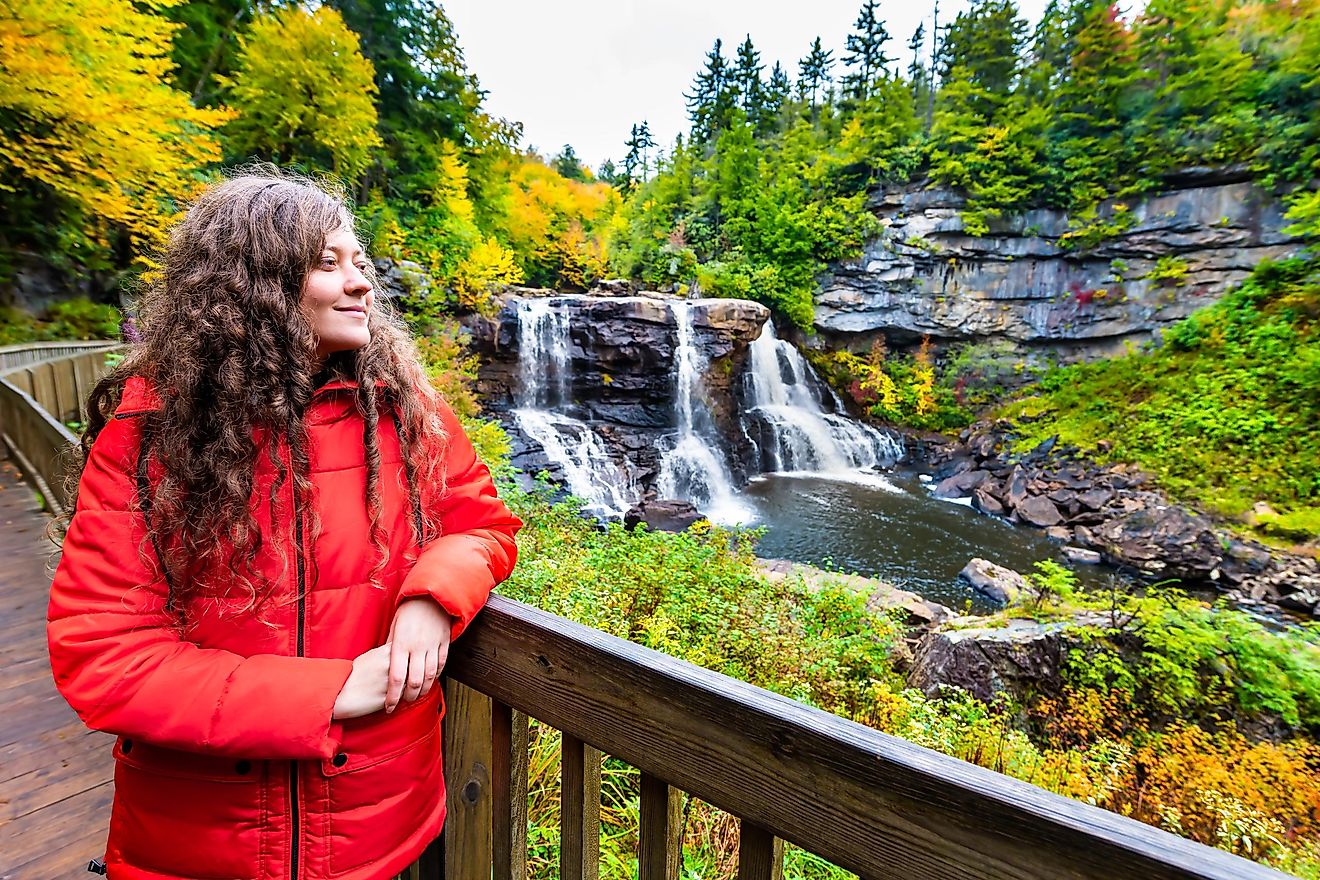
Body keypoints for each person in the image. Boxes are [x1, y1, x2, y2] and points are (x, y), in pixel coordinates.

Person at [46, 170, 521, 880]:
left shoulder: (402, 409)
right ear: (251, 282)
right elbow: (103, 654)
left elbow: (482, 525)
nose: (361, 282)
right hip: (200, 841)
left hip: (380, 827)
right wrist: (325, 694)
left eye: (359, 262)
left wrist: (432, 596)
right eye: (327, 263)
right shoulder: (151, 436)